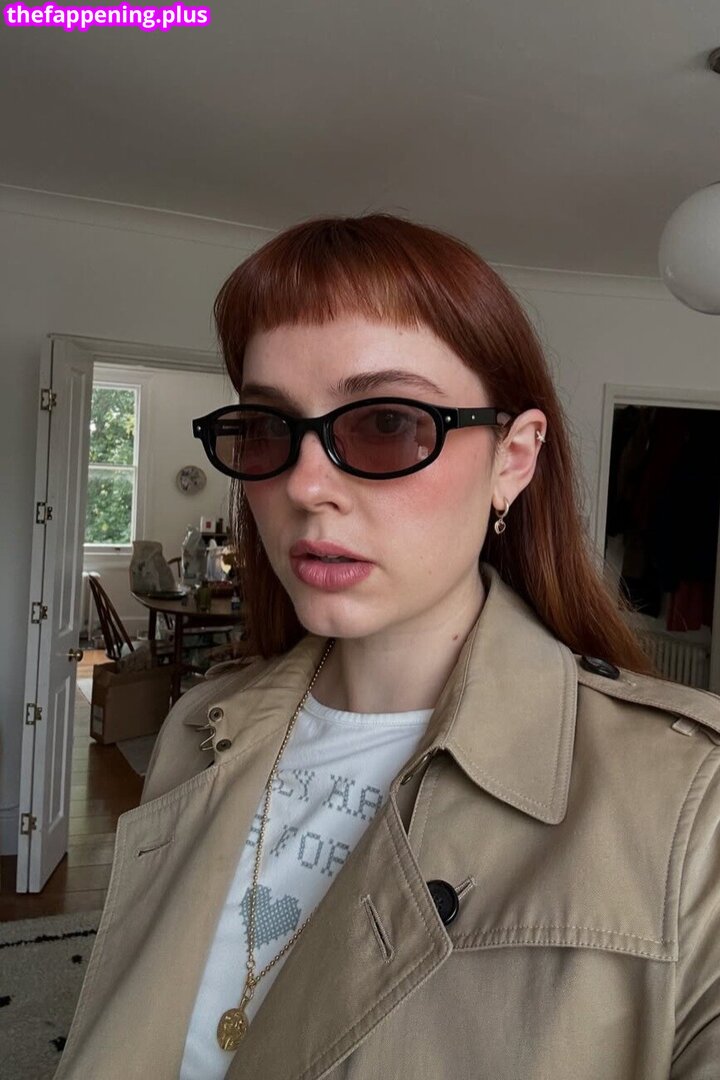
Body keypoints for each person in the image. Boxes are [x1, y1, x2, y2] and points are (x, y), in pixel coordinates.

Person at [55, 214, 720, 1080]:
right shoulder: (196, 727)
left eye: (385, 423)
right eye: (267, 428)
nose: (304, 484)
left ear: (513, 460)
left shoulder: (694, 809)